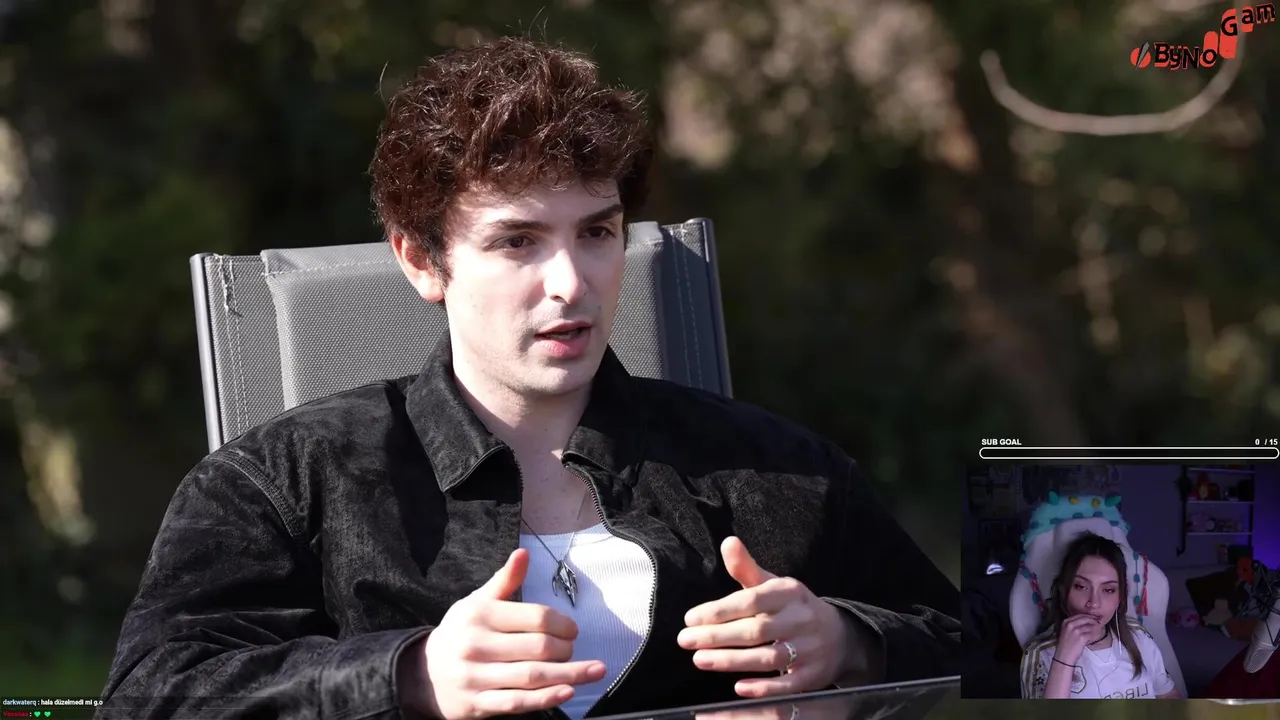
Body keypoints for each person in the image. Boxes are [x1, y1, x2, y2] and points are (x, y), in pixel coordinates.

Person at [96, 37, 961, 720]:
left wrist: (852, 646)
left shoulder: (775, 474)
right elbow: (148, 695)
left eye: (597, 233)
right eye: (517, 241)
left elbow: (1002, 647)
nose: (570, 283)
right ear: (421, 259)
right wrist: (409, 675)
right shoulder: (287, 482)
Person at [1019, 532, 1179, 699]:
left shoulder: (1137, 634)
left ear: (1120, 597)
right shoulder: (1041, 653)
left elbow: (1168, 695)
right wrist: (1064, 658)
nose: (1094, 603)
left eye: (1108, 590)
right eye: (1081, 587)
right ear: (1064, 590)